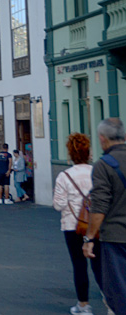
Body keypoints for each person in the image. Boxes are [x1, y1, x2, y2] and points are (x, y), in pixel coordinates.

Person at [53, 133, 103, 315]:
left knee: (79, 264)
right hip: (95, 225)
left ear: (70, 155)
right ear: (89, 154)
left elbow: (58, 205)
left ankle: (83, 305)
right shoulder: (98, 172)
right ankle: (109, 299)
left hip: (72, 226)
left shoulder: (64, 176)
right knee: (99, 264)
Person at [84, 118, 126, 315]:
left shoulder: (103, 165)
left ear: (102, 139)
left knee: (118, 292)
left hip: (116, 237)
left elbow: (99, 205)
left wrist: (89, 238)